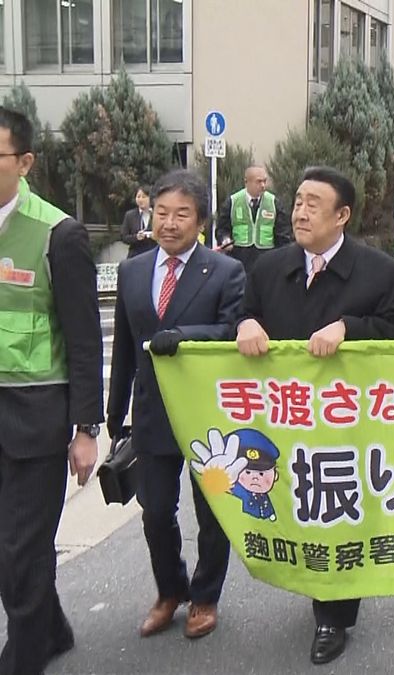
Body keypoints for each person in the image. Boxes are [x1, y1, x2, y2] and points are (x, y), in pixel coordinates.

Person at [236, 166, 394, 665]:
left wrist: (349, 328)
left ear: (343, 216)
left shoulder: (379, 271)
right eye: (297, 200)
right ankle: (314, 582)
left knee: (337, 510)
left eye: (315, 202)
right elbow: (244, 315)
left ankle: (334, 616)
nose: (300, 210)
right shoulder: (269, 268)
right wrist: (246, 321)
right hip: (284, 421)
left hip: (349, 422)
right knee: (298, 509)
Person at [106, 170, 245, 641]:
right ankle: (170, 591)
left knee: (212, 513)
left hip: (209, 414)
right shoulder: (133, 270)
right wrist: (113, 414)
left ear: (200, 220)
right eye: (162, 213)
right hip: (151, 414)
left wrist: (183, 337)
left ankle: (205, 597)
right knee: (156, 510)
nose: (169, 223)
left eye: (181, 214)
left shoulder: (227, 271)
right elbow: (125, 347)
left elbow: (231, 332)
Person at [0, 107, 103, 675]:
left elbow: (85, 339)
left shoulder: (58, 234)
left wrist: (86, 430)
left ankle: (25, 653)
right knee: (14, 549)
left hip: (36, 418)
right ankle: (53, 626)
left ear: (25, 162)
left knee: (21, 549)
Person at [214, 164, 292, 275]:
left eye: (265, 181)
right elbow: (222, 228)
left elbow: (283, 234)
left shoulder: (274, 203)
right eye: (259, 182)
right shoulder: (232, 202)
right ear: (247, 182)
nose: (263, 185)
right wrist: (225, 239)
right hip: (239, 259)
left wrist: (279, 258)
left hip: (266, 260)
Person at [120, 185, 156, 258]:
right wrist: (136, 237)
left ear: (151, 198)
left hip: (153, 254)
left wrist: (156, 237)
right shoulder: (130, 215)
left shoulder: (157, 214)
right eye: (138, 197)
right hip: (135, 255)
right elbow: (123, 237)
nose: (140, 199)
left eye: (144, 197)